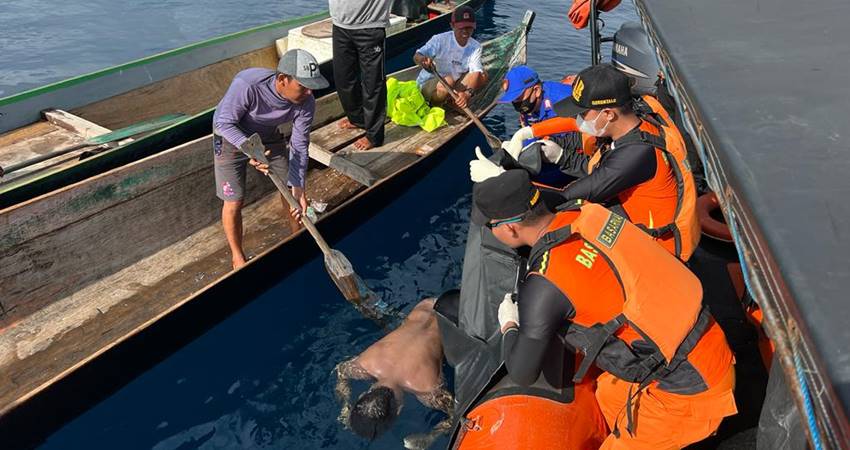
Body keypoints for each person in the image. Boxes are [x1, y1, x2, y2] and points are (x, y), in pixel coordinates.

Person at [472, 169, 738, 449]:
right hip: (705, 341)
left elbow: (522, 371)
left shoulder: (547, 284)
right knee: (607, 395)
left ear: (510, 228)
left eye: (490, 227)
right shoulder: (588, 213)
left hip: (690, 387)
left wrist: (510, 325)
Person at [504, 63, 700, 261]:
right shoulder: (630, 118)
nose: (578, 119)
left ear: (608, 114)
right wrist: (553, 149)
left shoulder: (636, 154)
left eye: (582, 113)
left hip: (656, 250)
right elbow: (586, 148)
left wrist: (502, 184)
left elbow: (571, 195)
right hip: (628, 213)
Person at [213, 49, 328, 269]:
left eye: (311, 87)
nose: (308, 93)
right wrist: (250, 150)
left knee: (290, 188)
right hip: (230, 137)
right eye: (302, 86)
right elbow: (223, 123)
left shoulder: (306, 101)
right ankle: (237, 256)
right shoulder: (248, 85)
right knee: (234, 200)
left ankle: (297, 235)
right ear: (282, 80)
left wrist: (299, 188)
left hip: (267, 136)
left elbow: (299, 144)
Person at [335, 298, 453, 449]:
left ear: (399, 410)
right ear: (363, 394)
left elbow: (456, 414)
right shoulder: (365, 364)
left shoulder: (427, 392)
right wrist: (345, 404)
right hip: (429, 303)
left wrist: (430, 437)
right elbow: (341, 370)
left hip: (456, 319)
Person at [330, 0, 392, 150]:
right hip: (340, 25)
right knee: (343, 79)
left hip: (370, 26)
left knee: (372, 83)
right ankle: (358, 119)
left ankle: (374, 135)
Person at [413, 5, 487, 109]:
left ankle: (452, 100)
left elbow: (475, 73)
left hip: (451, 85)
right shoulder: (440, 40)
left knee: (483, 75)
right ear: (452, 25)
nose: (465, 31)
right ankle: (433, 106)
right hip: (429, 85)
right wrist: (422, 60)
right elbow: (417, 56)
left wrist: (467, 94)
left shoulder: (475, 47)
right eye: (462, 27)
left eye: (469, 27)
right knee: (449, 80)